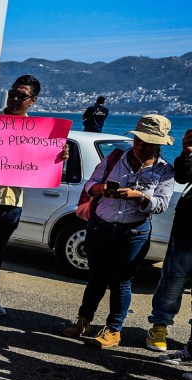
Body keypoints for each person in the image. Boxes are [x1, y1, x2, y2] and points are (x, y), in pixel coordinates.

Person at [0, 75, 67, 321]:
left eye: (22, 95)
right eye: (13, 93)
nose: (15, 98)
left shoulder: (40, 133)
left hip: (13, 201)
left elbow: (43, 164)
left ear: (33, 100)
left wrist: (59, 155)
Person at [63, 115, 175, 348]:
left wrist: (139, 197)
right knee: (96, 277)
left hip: (134, 232)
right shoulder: (115, 158)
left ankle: (114, 330)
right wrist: (102, 189)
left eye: (147, 142)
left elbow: (161, 204)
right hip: (101, 225)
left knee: (121, 281)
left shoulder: (165, 171)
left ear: (158, 145)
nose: (140, 145)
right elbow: (90, 184)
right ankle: (84, 320)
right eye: (138, 140)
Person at [147, 128, 192, 352]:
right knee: (173, 280)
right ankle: (159, 326)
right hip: (187, 229)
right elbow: (183, 175)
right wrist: (188, 153)